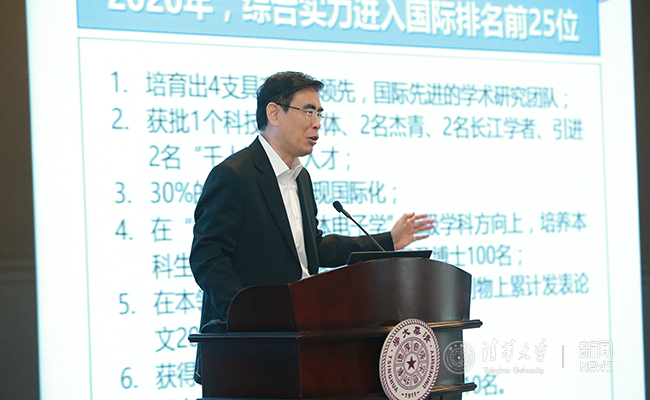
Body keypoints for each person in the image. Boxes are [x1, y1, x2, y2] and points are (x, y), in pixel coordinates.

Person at [189, 71, 434, 383]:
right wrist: (246, 315)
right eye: (308, 111)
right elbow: (208, 258)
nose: (317, 123)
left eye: (319, 113)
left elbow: (312, 249)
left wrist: (388, 241)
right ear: (274, 113)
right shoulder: (234, 175)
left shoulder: (301, 178)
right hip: (249, 348)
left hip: (300, 338)